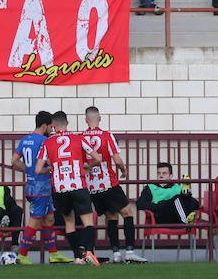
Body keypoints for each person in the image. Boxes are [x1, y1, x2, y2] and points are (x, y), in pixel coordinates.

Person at [35, 110, 102, 266]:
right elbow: (97, 158)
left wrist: (50, 168)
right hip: (78, 184)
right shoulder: (78, 138)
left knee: (69, 222)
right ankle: (89, 252)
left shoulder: (47, 142)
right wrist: (88, 166)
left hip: (60, 187)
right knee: (87, 221)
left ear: (53, 126)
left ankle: (78, 257)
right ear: (67, 123)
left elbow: (38, 169)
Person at [82, 106, 147, 263]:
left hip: (92, 186)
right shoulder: (106, 135)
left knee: (111, 216)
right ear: (100, 118)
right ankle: (130, 252)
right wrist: (123, 170)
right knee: (128, 213)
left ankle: (116, 253)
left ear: (85, 120)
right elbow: (117, 159)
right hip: (108, 182)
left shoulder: (81, 137)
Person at [11, 111, 69, 265]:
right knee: (35, 221)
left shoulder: (25, 139)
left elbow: (14, 160)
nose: (52, 129)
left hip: (32, 185)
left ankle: (53, 254)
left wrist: (28, 170)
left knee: (49, 219)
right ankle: (22, 254)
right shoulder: (45, 141)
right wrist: (48, 169)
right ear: (44, 126)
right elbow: (49, 161)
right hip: (40, 187)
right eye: (51, 126)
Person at [137, 162, 201, 226]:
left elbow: (196, 204)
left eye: (164, 173)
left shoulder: (177, 188)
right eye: (158, 173)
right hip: (161, 217)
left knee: (185, 198)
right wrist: (160, 205)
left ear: (170, 176)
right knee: (176, 198)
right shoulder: (151, 187)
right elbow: (140, 204)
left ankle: (186, 194)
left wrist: (187, 196)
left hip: (177, 217)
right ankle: (186, 221)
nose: (161, 176)